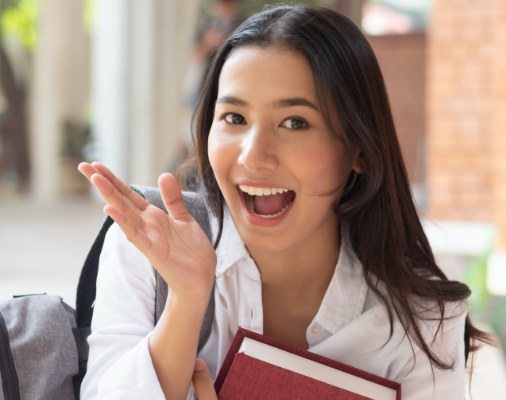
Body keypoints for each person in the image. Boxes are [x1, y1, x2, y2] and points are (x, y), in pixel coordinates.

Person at [78, 4, 492, 400]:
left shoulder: (420, 322)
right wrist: (185, 299)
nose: (253, 156)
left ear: (359, 149)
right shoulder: (148, 252)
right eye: (234, 118)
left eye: (295, 122)